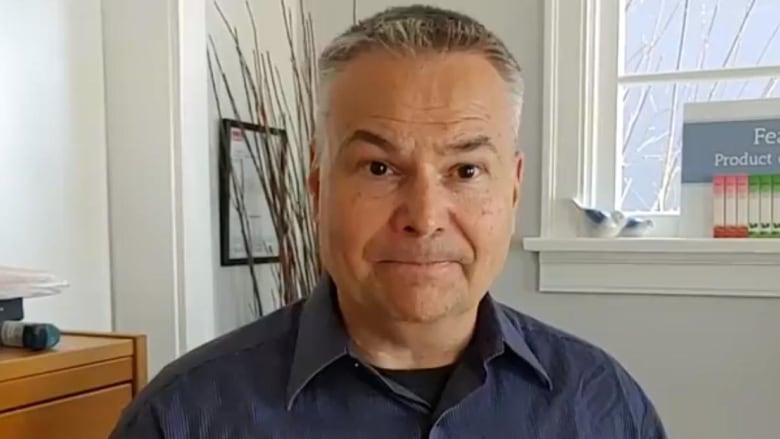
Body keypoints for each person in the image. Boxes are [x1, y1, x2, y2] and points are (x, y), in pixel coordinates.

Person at [109, 5, 667, 438]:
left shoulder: (605, 407)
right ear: (318, 180)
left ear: (514, 187)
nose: (424, 218)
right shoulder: (183, 419)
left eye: (466, 170)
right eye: (379, 167)